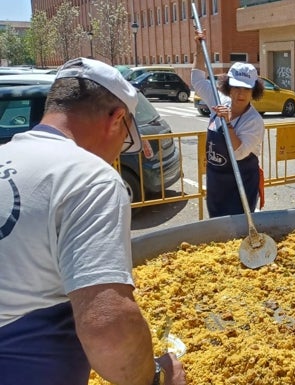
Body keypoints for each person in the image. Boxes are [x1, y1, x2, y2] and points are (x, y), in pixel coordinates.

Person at [0, 57, 186, 385]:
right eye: (127, 139)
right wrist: (156, 378)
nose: (117, 154)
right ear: (116, 119)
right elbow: (107, 327)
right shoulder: (89, 177)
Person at [191, 31, 265, 217]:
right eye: (236, 88)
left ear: (253, 91)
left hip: (241, 184)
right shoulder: (219, 101)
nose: (240, 94)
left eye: (246, 89)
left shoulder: (253, 121)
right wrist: (200, 48)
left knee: (238, 228)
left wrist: (228, 125)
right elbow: (198, 80)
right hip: (216, 181)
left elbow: (239, 153)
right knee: (217, 229)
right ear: (228, 87)